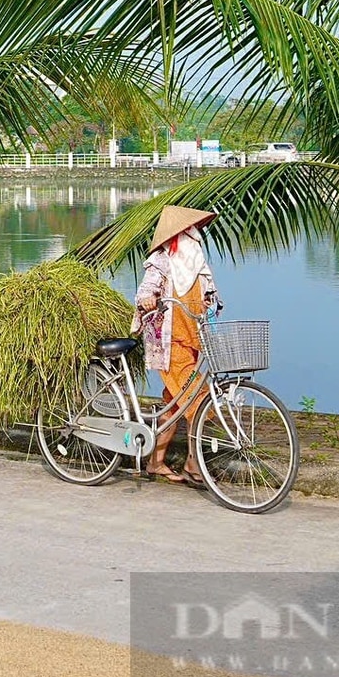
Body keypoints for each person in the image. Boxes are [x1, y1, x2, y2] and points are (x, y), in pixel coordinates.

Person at [133, 204, 217, 483]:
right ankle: (194, 464)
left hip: (193, 340)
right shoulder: (162, 259)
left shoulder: (199, 264)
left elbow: (211, 294)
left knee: (174, 404)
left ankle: (155, 462)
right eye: (188, 232)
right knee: (197, 400)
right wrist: (147, 298)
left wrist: (212, 302)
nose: (193, 237)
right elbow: (147, 288)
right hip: (169, 344)